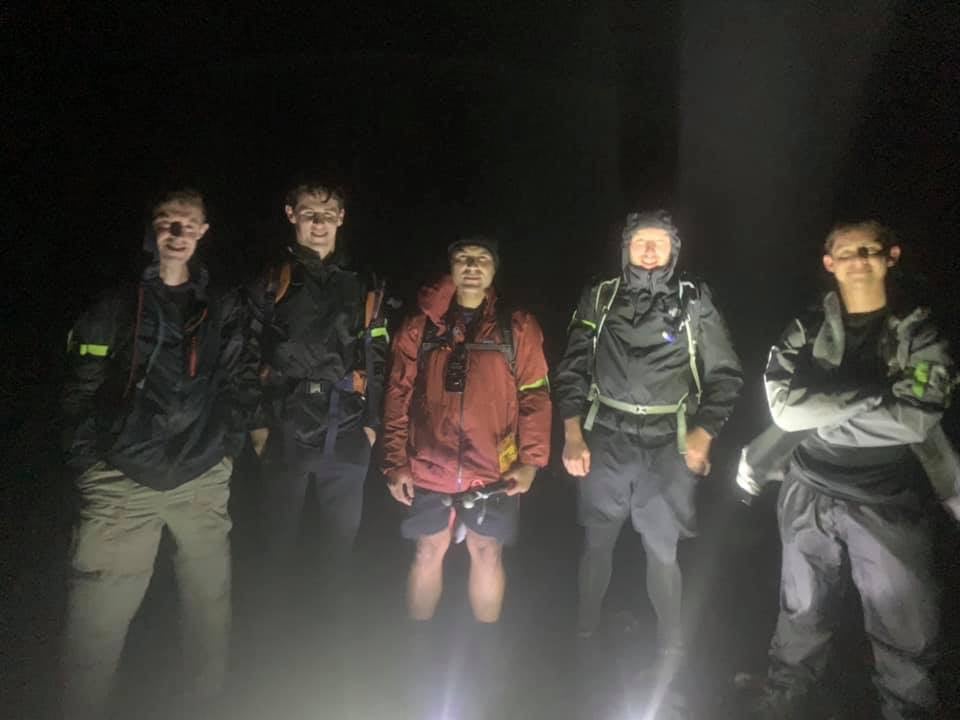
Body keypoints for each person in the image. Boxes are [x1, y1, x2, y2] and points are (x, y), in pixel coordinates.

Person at [739, 220, 955, 720]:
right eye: (846, 252)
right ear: (829, 263)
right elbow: (784, 410)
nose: (858, 260)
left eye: (869, 249)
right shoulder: (807, 326)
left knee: (904, 624)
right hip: (807, 491)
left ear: (891, 256)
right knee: (800, 610)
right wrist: (876, 393)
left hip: (886, 499)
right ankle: (785, 701)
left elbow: (915, 418)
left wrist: (823, 406)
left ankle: (908, 711)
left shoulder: (921, 331)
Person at [60, 188, 259, 719]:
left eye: (187, 224)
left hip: (200, 476)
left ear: (203, 232)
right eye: (167, 221)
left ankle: (204, 707)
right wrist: (90, 464)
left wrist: (226, 450)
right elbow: (80, 385)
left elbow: (238, 378)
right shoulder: (115, 301)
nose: (177, 233)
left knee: (209, 609)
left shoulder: (219, 305)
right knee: (98, 619)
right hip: (120, 482)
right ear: (152, 228)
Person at [553, 209, 743, 656]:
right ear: (627, 248)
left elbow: (726, 373)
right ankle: (584, 633)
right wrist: (572, 434)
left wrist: (703, 434)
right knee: (597, 541)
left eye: (661, 242)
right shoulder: (601, 296)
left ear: (675, 250)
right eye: (641, 242)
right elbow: (572, 367)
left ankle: (669, 645)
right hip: (606, 435)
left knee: (663, 549)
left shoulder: (695, 300)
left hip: (668, 442)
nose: (651, 250)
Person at [382, 235, 551, 625]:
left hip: (493, 469)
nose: (472, 266)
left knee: (488, 552)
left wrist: (531, 462)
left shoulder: (516, 326)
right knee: (427, 550)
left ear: (494, 270)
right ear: (451, 267)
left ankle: (485, 642)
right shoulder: (421, 326)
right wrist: (394, 462)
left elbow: (535, 394)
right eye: (463, 258)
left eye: (482, 259)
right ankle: (418, 641)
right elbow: (397, 394)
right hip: (428, 465)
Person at [245, 179, 387, 621]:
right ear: (291, 215)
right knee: (275, 545)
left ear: (341, 218)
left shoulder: (363, 282)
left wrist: (373, 423)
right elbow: (246, 351)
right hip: (284, 424)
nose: (319, 223)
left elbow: (378, 355)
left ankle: (333, 639)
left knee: (339, 552)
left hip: (346, 427)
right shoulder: (271, 279)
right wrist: (257, 422)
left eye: (328, 214)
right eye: (309, 213)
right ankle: (268, 636)